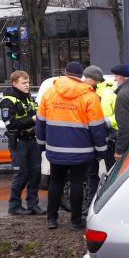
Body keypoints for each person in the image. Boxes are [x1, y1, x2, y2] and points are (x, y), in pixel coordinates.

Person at [36, 61, 107, 230]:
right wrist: (101, 151)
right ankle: (75, 221)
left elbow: (40, 123)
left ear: (65, 73)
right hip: (81, 150)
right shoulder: (89, 96)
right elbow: (97, 128)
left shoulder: (50, 92)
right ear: (81, 75)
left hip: (55, 149)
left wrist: (41, 145)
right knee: (77, 183)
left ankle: (51, 219)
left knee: (55, 182)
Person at [0, 70, 44, 216]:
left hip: (32, 141)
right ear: (14, 84)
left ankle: (33, 204)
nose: (27, 85)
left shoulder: (28, 98)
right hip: (19, 143)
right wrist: (32, 120)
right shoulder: (8, 101)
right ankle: (14, 206)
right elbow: (10, 124)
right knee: (21, 174)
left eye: (28, 82)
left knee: (35, 174)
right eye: (23, 83)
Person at [82, 65, 117, 199]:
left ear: (95, 80)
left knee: (111, 172)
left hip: (107, 138)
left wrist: (106, 122)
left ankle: (110, 201)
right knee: (91, 173)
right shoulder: (85, 93)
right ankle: (92, 202)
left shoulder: (110, 92)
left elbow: (119, 116)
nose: (84, 80)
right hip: (89, 139)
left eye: (87, 78)